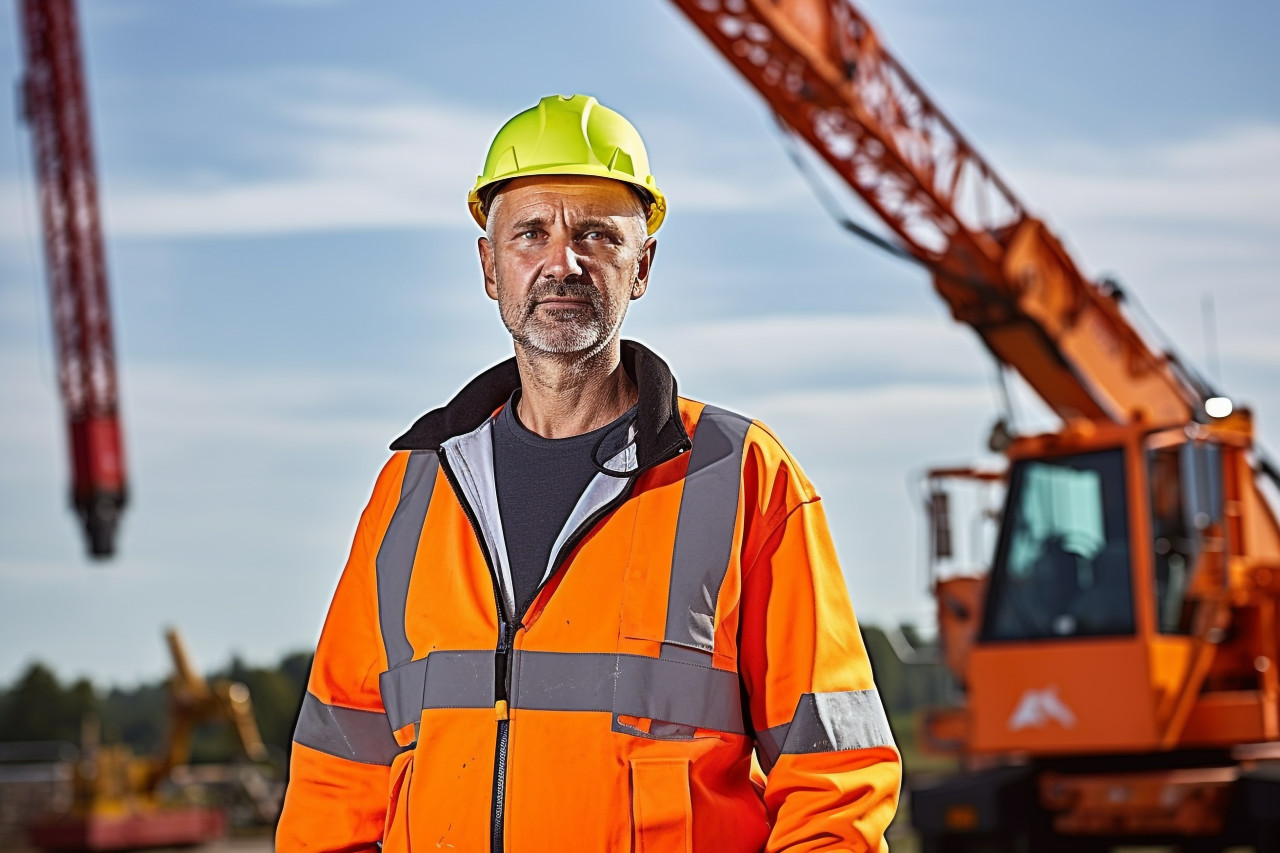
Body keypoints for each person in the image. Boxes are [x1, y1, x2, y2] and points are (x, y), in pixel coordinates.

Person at [276, 94, 901, 852]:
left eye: (597, 234)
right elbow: (337, 779)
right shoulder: (412, 488)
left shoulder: (742, 474)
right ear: (489, 265)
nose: (560, 262)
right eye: (531, 232)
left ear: (643, 266)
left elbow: (835, 780)